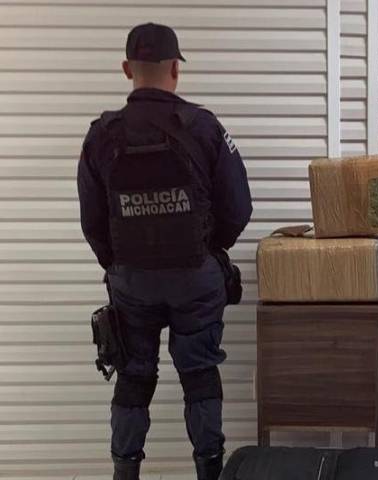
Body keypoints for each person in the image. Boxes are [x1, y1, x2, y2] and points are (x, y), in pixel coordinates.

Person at [77, 23, 253, 480]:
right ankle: (210, 472)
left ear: (126, 69)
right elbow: (239, 208)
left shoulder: (101, 135)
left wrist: (120, 263)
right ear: (175, 68)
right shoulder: (204, 127)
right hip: (196, 278)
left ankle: (125, 472)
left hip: (132, 283)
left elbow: (92, 222)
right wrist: (208, 250)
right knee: (199, 374)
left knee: (134, 377)